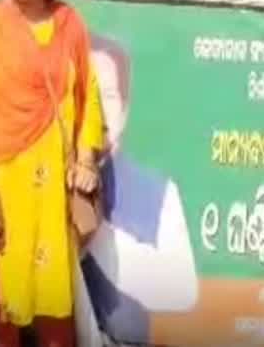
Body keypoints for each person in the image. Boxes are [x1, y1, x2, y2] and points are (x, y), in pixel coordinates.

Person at [0, 0, 105, 347]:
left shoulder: (69, 23)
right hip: (5, 184)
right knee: (4, 301)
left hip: (55, 187)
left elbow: (89, 96)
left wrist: (85, 161)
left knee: (54, 308)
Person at [81, 36, 197, 345]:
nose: (97, 108)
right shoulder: (46, 173)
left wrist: (92, 233)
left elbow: (183, 293)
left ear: (126, 108)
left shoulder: (159, 192)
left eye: (106, 95)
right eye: (85, 92)